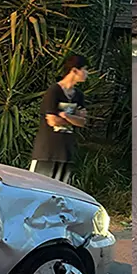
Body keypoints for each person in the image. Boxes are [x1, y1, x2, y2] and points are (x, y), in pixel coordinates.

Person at [29, 55, 90, 185]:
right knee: (37, 187)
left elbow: (82, 122)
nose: (87, 73)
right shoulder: (54, 91)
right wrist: (74, 118)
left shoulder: (78, 95)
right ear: (74, 70)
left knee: (60, 192)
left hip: (66, 152)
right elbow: (52, 121)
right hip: (47, 152)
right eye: (84, 69)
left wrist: (66, 116)